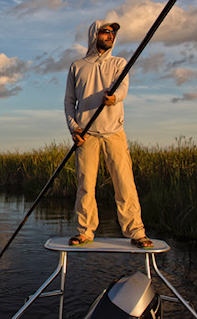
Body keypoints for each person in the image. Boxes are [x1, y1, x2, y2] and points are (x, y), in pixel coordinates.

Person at [64, 20, 153, 249]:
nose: (110, 35)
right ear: (95, 35)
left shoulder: (119, 63)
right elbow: (69, 101)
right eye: (105, 32)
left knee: (124, 183)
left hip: (114, 131)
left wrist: (114, 99)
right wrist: (74, 127)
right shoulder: (77, 66)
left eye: (112, 33)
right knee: (85, 185)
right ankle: (85, 232)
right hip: (86, 134)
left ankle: (136, 232)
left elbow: (122, 87)